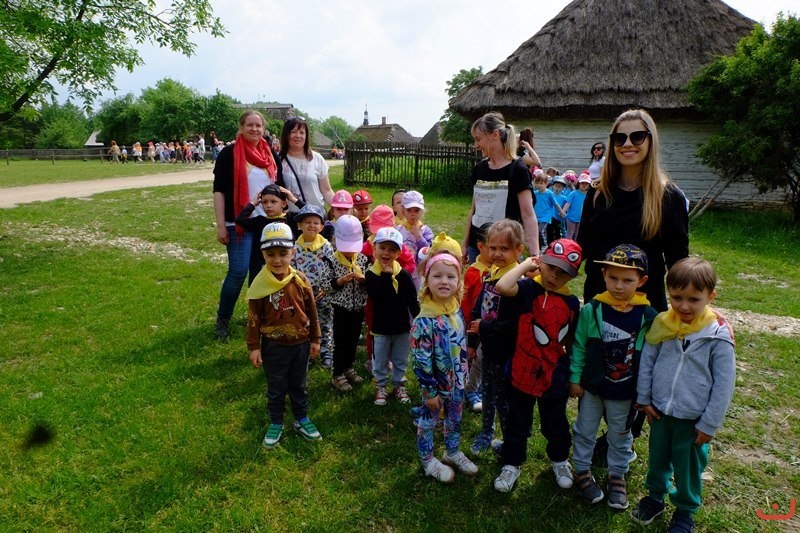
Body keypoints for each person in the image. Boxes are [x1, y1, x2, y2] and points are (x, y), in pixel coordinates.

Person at [631, 257, 735, 532]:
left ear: (710, 297)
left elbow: (724, 384)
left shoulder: (718, 336)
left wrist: (709, 423)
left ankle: (685, 510)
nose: (684, 306)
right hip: (660, 412)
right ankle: (655, 497)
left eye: (694, 299)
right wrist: (645, 399)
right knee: (657, 459)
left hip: (693, 420)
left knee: (688, 467)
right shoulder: (663, 324)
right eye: (676, 297)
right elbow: (648, 361)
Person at [568, 244, 658, 510]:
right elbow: (579, 346)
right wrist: (575, 378)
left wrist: (711, 315)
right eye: (613, 278)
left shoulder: (648, 316)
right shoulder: (592, 310)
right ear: (604, 275)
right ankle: (581, 470)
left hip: (625, 391)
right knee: (585, 429)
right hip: (593, 387)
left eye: (628, 280)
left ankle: (617, 475)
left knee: (620, 434)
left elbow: (672, 332)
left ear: (641, 281)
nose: (619, 286)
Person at [491, 239, 583, 493]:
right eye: (551, 268)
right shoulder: (527, 289)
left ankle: (559, 460)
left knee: (556, 422)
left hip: (554, 374)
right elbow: (502, 286)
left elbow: (572, 341)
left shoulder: (572, 303)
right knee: (517, 421)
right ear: (541, 264)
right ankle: (512, 463)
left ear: (572, 277)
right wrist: (527, 265)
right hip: (521, 370)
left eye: (563, 273)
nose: (554, 276)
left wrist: (573, 375)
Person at [578, 109, 689, 312]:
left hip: (646, 309)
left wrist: (697, 306)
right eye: (620, 138)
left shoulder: (668, 197)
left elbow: (678, 262)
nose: (627, 144)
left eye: (637, 137)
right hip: (598, 306)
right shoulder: (598, 192)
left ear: (651, 141)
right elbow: (582, 246)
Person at [245, 222, 322, 449]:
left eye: (282, 253)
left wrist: (315, 339)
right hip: (274, 347)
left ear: (293, 252)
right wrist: (254, 347)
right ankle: (276, 422)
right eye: (271, 254)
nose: (277, 260)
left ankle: (301, 418)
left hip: (301, 344)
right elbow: (253, 319)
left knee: (299, 385)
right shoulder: (260, 286)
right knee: (276, 386)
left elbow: (312, 312)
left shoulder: (301, 280)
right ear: (263, 254)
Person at [212, 110, 281, 340]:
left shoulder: (269, 154)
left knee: (259, 273)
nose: (254, 129)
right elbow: (219, 191)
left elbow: (278, 187)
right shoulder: (229, 153)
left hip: (264, 223)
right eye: (250, 125)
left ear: (264, 129)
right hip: (238, 222)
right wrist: (221, 225)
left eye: (258, 125)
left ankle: (256, 318)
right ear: (241, 127)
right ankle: (223, 320)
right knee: (238, 271)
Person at [412, 251, 478, 483]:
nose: (444, 281)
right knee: (429, 420)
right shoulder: (425, 320)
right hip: (435, 387)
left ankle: (452, 450)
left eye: (451, 277)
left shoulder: (455, 310)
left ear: (458, 282)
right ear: (427, 280)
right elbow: (421, 360)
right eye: (437, 276)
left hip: (457, 381)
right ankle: (427, 459)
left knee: (455, 418)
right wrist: (429, 391)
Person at [467, 220, 524, 456]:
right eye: (493, 248)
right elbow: (477, 310)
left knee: (503, 400)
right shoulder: (491, 274)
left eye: (504, 249)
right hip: (488, 349)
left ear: (519, 250)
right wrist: (472, 344)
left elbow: (515, 324)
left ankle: (510, 440)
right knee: (487, 394)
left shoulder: (519, 283)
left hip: (507, 353)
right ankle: (486, 432)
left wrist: (485, 327)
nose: (497, 253)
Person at [463, 112, 539, 263]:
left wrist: (534, 253)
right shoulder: (479, 169)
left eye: (478, 139)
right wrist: (465, 245)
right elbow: (474, 210)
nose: (476, 145)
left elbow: (528, 214)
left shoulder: (518, 170)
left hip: (505, 249)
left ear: (495, 135)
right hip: (477, 247)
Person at [365, 227, 420, 406]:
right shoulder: (371, 275)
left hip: (402, 327)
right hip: (380, 327)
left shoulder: (403, 274)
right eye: (382, 248)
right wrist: (386, 277)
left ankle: (399, 384)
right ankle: (381, 385)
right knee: (380, 359)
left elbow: (412, 299)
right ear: (374, 248)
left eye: (392, 249)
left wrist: (419, 320)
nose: (386, 253)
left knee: (400, 358)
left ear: (398, 253)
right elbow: (378, 297)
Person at [292, 204, 336, 369]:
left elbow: (332, 268)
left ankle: (326, 351)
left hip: (322, 292)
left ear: (322, 227)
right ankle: (309, 352)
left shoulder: (326, 246)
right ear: (299, 225)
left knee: (325, 321)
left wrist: (326, 288)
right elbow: (292, 270)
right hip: (303, 292)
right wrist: (299, 289)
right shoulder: (295, 248)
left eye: (316, 223)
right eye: (307, 222)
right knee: (306, 322)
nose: (312, 225)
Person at [328, 215, 369, 392]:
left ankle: (348, 367)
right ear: (335, 240)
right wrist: (339, 281)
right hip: (340, 308)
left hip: (358, 307)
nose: (349, 252)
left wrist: (364, 281)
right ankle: (337, 373)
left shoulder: (363, 260)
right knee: (340, 341)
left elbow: (370, 283)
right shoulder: (331, 260)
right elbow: (325, 284)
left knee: (353, 339)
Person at [461, 222, 493, 413]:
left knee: (485, 358)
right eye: (493, 247)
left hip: (493, 325)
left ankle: (480, 388)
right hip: (474, 324)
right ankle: (470, 389)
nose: (498, 253)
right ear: (481, 246)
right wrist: (467, 324)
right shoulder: (473, 272)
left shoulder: (505, 271)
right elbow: (466, 302)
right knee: (474, 357)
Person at [279, 116, 335, 213]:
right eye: (293, 132)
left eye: (302, 132)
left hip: (316, 216)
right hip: (291, 217)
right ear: (286, 135)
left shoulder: (317, 159)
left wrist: (340, 207)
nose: (298, 136)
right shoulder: (278, 160)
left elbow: (326, 191)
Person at [396, 190, 434, 289]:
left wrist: (418, 236)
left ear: (422, 212)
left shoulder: (425, 230)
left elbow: (429, 251)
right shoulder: (398, 229)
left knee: (414, 295)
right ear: (403, 211)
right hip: (400, 271)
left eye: (416, 210)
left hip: (417, 274)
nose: (413, 214)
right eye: (409, 210)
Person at [533, 172, 566, 249]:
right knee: (535, 232)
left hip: (545, 216)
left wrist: (561, 212)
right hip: (536, 215)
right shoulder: (535, 193)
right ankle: (539, 247)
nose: (539, 185)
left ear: (546, 184)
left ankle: (545, 245)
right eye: (537, 183)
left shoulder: (549, 193)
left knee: (540, 230)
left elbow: (555, 204)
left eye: (541, 183)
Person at [563, 173, 591, 240]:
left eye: (586, 183)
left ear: (589, 185)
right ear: (579, 183)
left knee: (578, 234)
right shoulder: (573, 193)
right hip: (571, 217)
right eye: (582, 183)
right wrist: (563, 211)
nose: (584, 185)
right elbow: (568, 203)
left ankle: (575, 245)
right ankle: (568, 245)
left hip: (582, 218)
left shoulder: (588, 195)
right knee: (570, 233)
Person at [548, 175, 569, 242]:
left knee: (558, 232)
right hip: (550, 218)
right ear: (553, 186)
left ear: (563, 188)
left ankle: (557, 245)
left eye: (559, 187)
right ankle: (549, 244)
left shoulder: (564, 198)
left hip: (558, 218)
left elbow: (565, 208)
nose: (557, 188)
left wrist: (563, 213)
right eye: (556, 186)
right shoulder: (549, 195)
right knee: (549, 232)